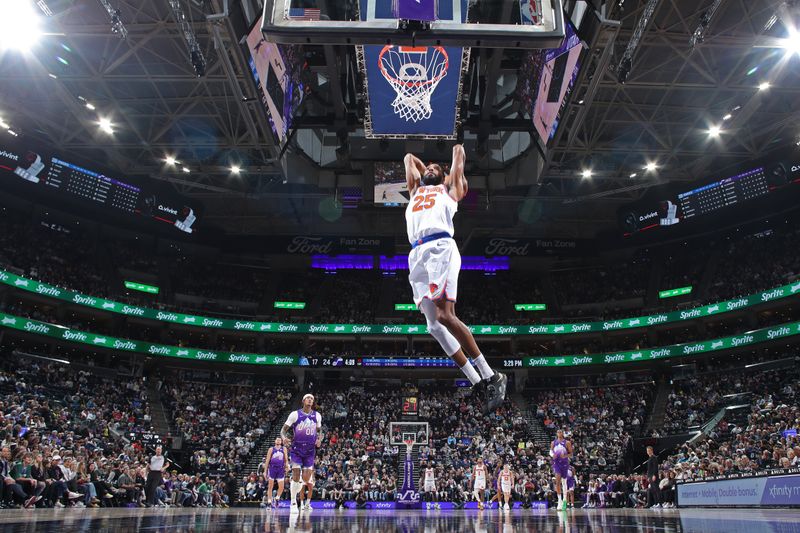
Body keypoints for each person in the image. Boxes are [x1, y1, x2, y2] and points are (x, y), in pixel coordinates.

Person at [403, 147, 507, 413]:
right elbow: (407, 159)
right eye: (428, 168)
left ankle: (491, 375)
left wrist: (450, 166)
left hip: (440, 248)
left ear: (445, 176)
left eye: (435, 169)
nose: (429, 169)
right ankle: (476, 382)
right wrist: (426, 164)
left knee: (446, 315)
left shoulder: (450, 192)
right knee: (433, 326)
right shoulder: (416, 190)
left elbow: (458, 152)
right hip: (417, 253)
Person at [281, 394, 322, 513]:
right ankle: (293, 503)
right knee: (296, 475)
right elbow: (283, 430)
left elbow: (320, 431)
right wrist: (283, 438)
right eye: (308, 398)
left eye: (312, 399)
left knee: (305, 479)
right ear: (303, 401)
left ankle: (297, 483)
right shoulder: (295, 414)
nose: (310, 400)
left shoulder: (317, 415)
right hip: (297, 448)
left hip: (310, 450)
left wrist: (319, 439)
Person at [264, 437, 289, 508]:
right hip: (272, 468)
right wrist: (265, 471)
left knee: (281, 487)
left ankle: (277, 498)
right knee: (270, 487)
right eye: (277, 440)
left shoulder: (284, 449)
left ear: (281, 442)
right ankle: (269, 502)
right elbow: (267, 460)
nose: (278, 441)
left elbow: (286, 459)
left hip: (280, 469)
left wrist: (287, 465)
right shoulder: (271, 449)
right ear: (275, 441)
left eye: (280, 440)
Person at [551, 429, 572, 511]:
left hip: (564, 464)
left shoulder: (567, 442)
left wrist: (565, 455)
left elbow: (571, 453)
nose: (559, 433)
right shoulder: (553, 442)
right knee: (557, 481)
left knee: (564, 482)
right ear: (556, 433)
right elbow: (550, 451)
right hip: (557, 464)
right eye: (558, 432)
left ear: (563, 433)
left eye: (561, 432)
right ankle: (559, 500)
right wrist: (553, 455)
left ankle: (564, 500)